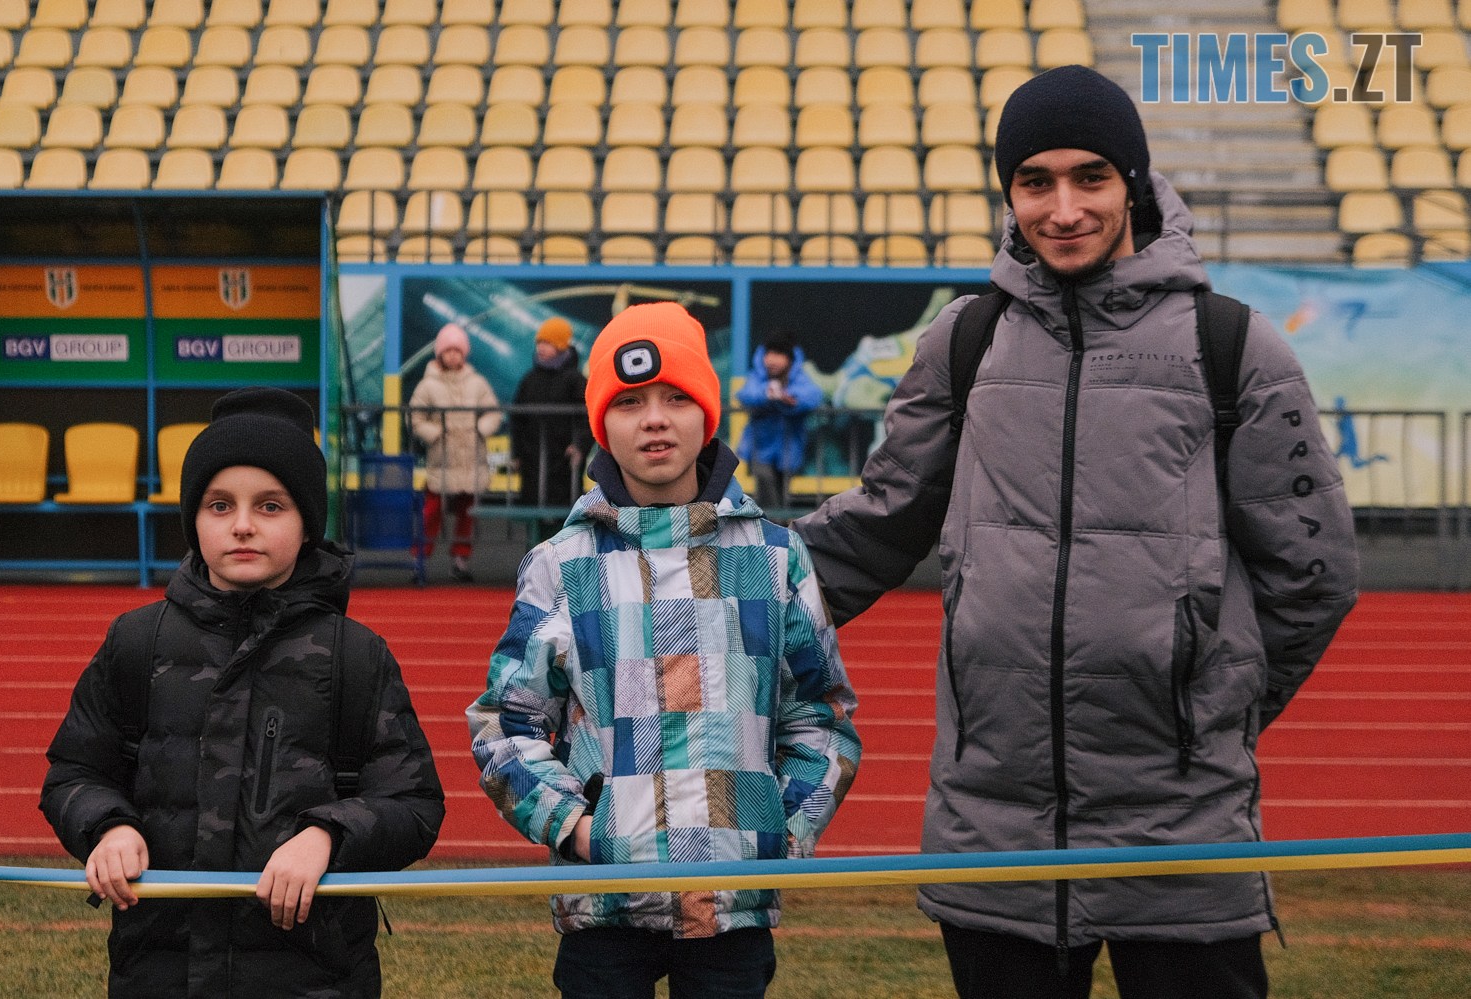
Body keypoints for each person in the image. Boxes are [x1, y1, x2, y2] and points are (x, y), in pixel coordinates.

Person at [793, 66, 1359, 999]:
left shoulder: (1234, 345)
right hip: (993, 817)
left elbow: (1313, 570)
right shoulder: (962, 342)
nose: (1063, 209)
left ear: (1131, 181)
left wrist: (1212, 703)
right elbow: (878, 524)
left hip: (1180, 818)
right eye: (1035, 181)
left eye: (1090, 177)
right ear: (1009, 194)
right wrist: (715, 580)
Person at [467, 302, 861, 999]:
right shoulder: (559, 564)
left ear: (707, 413)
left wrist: (783, 829)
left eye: (676, 397)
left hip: (731, 902)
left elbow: (820, 718)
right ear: (601, 424)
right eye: (630, 402)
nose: (654, 419)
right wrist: (577, 828)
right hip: (606, 903)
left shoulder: (777, 558)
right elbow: (506, 724)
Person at [40, 386, 445, 998]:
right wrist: (108, 828)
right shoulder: (136, 643)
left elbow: (413, 803)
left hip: (314, 978)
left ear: (307, 524)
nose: (243, 525)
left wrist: (329, 836)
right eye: (219, 505)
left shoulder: (356, 657)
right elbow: (74, 772)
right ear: (193, 519)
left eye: (271, 505)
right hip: (160, 974)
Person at [409, 322, 501, 581]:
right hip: (441, 461)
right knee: (431, 513)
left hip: (471, 461)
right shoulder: (427, 385)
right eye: (447, 350)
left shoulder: (477, 383)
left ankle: (461, 561)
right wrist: (435, 433)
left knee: (467, 514)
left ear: (464, 354)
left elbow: (493, 412)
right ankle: (419, 561)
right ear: (439, 353)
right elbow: (415, 417)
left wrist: (480, 428)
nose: (452, 355)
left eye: (457, 351)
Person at [509, 316, 593, 525]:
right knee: (533, 515)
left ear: (561, 346)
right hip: (532, 459)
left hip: (563, 460)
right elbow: (517, 418)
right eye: (539, 342)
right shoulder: (529, 379)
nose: (541, 347)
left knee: (563, 516)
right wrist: (516, 453)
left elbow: (586, 417)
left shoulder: (575, 380)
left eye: (547, 343)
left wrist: (579, 445)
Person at [735, 335, 825, 510]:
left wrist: (790, 399)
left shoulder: (799, 377)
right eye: (769, 354)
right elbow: (745, 394)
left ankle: (776, 522)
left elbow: (813, 396)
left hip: (789, 447)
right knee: (764, 480)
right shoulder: (758, 376)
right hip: (760, 446)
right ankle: (775, 521)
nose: (772, 360)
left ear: (789, 358)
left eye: (779, 354)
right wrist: (766, 394)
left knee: (782, 490)